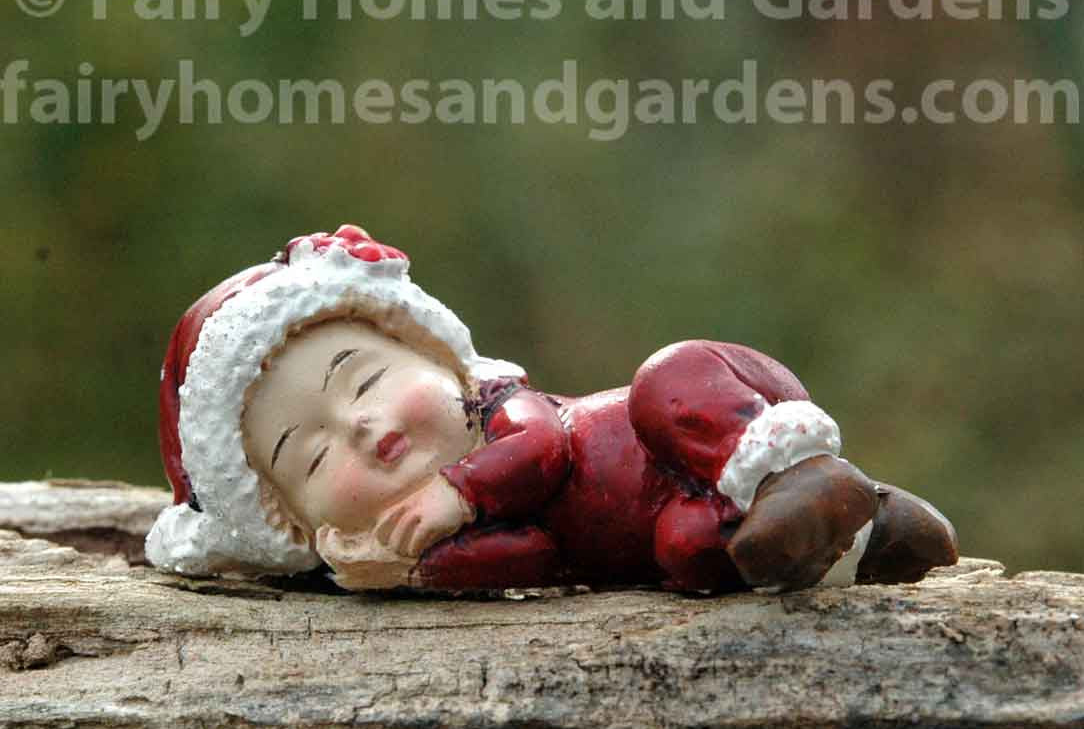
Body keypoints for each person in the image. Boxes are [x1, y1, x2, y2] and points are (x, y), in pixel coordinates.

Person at [147, 224, 957, 592]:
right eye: (312, 457)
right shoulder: (431, 538)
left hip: (680, 436)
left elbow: (544, 458)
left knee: (665, 380)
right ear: (296, 525)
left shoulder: (503, 409)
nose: (357, 426)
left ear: (435, 355)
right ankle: (860, 531)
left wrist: (456, 489)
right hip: (665, 516)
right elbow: (530, 552)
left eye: (363, 380)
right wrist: (404, 567)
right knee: (688, 552)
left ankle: (789, 466)